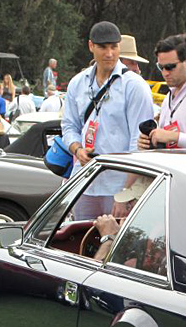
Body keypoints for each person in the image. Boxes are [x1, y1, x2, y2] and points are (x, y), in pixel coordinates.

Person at [63, 21, 155, 218]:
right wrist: (77, 149)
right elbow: (69, 127)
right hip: (84, 182)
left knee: (113, 244)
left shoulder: (134, 86)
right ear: (91, 46)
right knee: (80, 243)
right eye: (103, 47)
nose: (109, 53)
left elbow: (138, 143)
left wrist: (125, 193)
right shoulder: (77, 83)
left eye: (114, 47)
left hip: (119, 184)